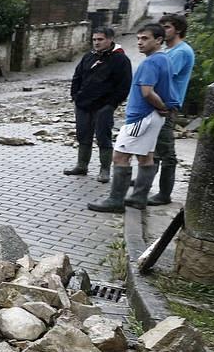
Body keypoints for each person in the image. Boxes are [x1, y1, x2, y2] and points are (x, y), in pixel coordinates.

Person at [88, 23, 176, 213]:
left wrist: (162, 107)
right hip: (152, 117)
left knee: (120, 156)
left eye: (145, 38)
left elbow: (147, 92)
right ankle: (138, 198)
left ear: (159, 40)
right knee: (146, 157)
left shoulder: (150, 62)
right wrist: (163, 108)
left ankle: (115, 201)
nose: (139, 42)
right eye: (138, 38)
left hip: (141, 117)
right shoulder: (164, 58)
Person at [64, 26, 132, 183]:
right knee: (83, 135)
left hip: (103, 106)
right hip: (83, 104)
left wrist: (111, 104)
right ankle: (82, 166)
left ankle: (104, 170)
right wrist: (75, 96)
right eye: (94, 39)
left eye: (100, 39)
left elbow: (124, 86)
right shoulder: (89, 56)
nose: (96, 42)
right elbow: (77, 76)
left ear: (110, 39)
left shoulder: (120, 60)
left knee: (103, 137)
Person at [146, 12, 195, 205]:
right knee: (153, 147)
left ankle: (164, 193)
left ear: (179, 29)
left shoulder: (180, 52)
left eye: (167, 27)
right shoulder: (168, 50)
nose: (163, 30)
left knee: (166, 151)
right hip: (158, 104)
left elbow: (162, 77)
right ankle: (146, 181)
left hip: (166, 106)